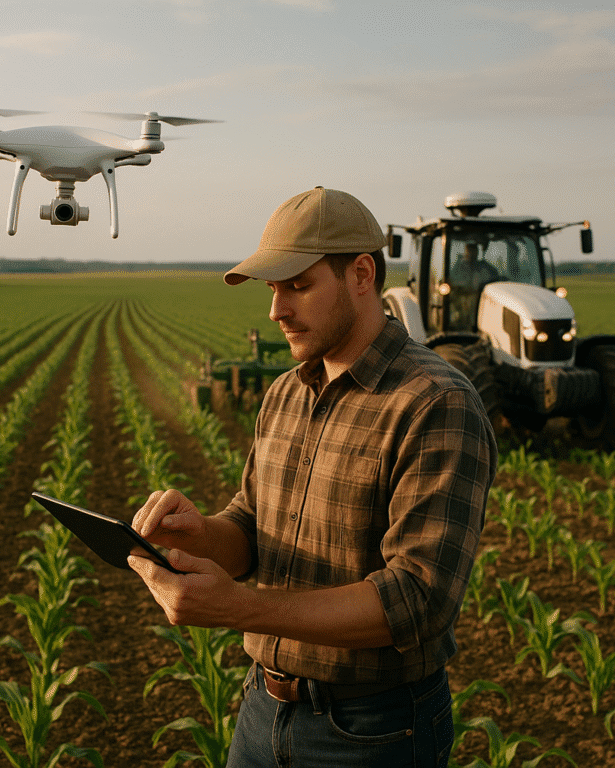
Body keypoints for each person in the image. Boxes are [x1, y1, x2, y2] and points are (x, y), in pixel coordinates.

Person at [128, 186, 498, 768]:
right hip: (261, 710)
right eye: (273, 289)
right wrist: (200, 534)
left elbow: (418, 599)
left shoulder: (434, 402)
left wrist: (241, 608)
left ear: (360, 274)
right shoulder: (285, 393)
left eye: (297, 285)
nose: (276, 310)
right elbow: (250, 527)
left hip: (374, 731)